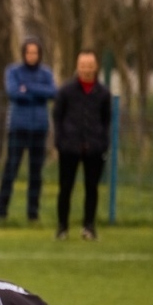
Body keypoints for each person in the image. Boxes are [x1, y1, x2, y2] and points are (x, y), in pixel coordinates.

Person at [52, 50, 112, 240]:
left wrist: (102, 142)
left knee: (92, 188)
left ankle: (89, 227)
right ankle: (62, 227)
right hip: (69, 147)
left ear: (96, 67)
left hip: (94, 147)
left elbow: (106, 120)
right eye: (83, 65)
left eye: (90, 66)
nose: (86, 69)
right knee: (65, 188)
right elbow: (57, 117)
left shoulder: (103, 93)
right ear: (78, 67)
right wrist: (61, 142)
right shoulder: (66, 91)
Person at [0, 38, 56, 222]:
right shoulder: (13, 71)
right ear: (23, 54)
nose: (32, 56)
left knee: (36, 173)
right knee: (11, 169)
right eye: (28, 52)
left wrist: (28, 88)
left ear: (39, 54)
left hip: (39, 129)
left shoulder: (46, 72)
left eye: (35, 52)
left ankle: (33, 214)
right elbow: (13, 92)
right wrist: (39, 93)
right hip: (18, 128)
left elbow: (53, 92)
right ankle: (1, 212)